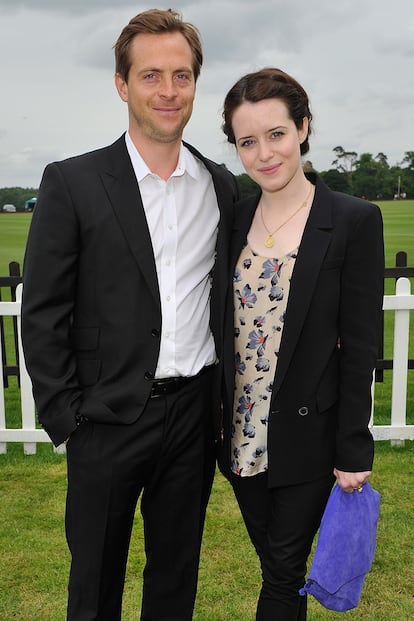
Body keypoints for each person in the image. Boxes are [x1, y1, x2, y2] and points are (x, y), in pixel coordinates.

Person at [21, 9, 238, 621]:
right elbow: (41, 310)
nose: (168, 91)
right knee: (94, 583)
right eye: (151, 76)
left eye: (182, 76)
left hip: (193, 417)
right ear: (122, 84)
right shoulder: (73, 182)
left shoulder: (219, 185)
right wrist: (66, 418)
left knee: (175, 579)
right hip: (105, 418)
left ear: (196, 83)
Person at [219, 67, 384, 620]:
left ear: (303, 128)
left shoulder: (353, 220)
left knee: (283, 575)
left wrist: (352, 449)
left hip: (307, 438)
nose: (264, 154)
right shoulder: (233, 219)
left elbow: (360, 345)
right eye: (247, 141)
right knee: (276, 569)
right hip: (240, 437)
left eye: (276, 134)